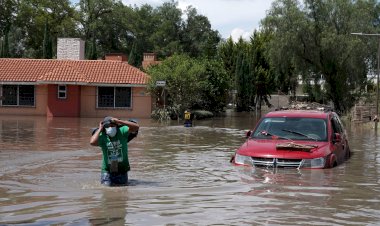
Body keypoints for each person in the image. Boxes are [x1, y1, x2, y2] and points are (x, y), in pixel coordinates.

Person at [90, 116, 139, 186]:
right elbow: (92, 142)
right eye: (108, 126)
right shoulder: (103, 136)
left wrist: (119, 121)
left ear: (116, 126)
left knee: (122, 191)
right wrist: (100, 128)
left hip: (122, 170)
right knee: (107, 190)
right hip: (107, 171)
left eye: (112, 125)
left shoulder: (122, 131)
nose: (110, 128)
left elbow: (136, 127)